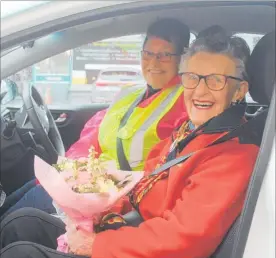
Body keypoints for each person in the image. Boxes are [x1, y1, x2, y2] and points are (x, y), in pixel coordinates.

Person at [0, 26, 259, 258]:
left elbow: (184, 238)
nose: (200, 91)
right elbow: (143, 181)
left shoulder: (234, 155)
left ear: (239, 90)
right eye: (192, 77)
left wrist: (96, 244)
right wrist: (102, 213)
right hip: (133, 241)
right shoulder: (191, 133)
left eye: (216, 80)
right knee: (23, 223)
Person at [0, 18, 190, 218]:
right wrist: (73, 168)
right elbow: (94, 132)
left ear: (182, 58)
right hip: (88, 184)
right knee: (20, 197)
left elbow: (164, 173)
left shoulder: (185, 103)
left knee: (17, 218)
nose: (153, 63)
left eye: (165, 55)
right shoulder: (130, 93)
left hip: (116, 199)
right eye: (148, 53)